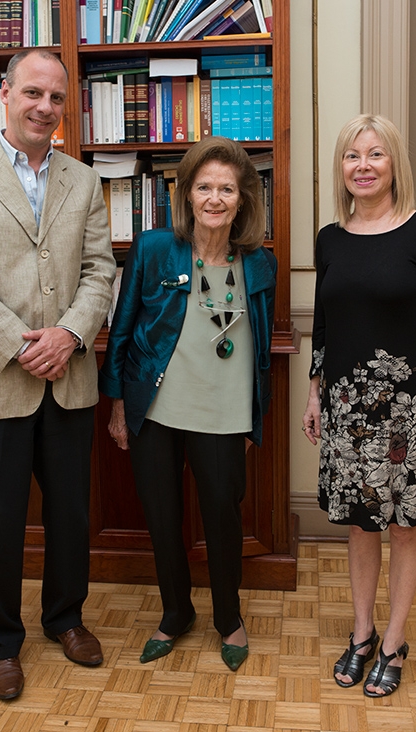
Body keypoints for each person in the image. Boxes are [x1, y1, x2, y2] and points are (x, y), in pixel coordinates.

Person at [0, 48, 116, 701]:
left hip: (69, 379)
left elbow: (100, 272)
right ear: (4, 94)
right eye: (32, 92)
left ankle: (66, 619)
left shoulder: (85, 181)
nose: (44, 107)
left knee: (70, 515)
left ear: (66, 107)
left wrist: (68, 335)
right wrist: (20, 343)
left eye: (56, 98)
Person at [99, 136, 277, 672]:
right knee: (162, 517)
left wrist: (253, 420)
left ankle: (229, 618)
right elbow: (122, 329)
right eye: (204, 187)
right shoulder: (154, 250)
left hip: (223, 414)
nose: (215, 198)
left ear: (244, 198)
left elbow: (262, 350)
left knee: (223, 518)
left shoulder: (259, 265)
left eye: (227, 188)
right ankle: (175, 612)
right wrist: (116, 406)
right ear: (187, 194)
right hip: (155, 410)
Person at [301, 114, 416, 698]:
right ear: (341, 168)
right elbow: (323, 324)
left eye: (375, 155)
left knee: (403, 527)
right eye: (352, 156)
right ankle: (362, 631)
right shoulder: (330, 239)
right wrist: (316, 391)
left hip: (406, 410)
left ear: (394, 164)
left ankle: (394, 641)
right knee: (360, 526)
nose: (363, 166)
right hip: (346, 406)